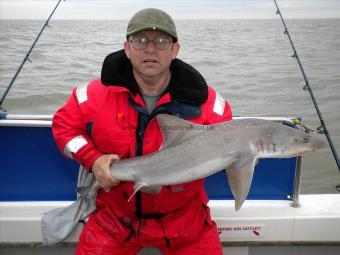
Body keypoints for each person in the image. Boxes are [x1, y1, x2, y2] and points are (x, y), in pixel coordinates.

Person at [52, 8, 232, 255]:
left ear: (175, 50)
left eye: (161, 41)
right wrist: (92, 159)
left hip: (186, 221)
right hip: (115, 219)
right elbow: (64, 128)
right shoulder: (92, 96)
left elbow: (228, 152)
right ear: (126, 48)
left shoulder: (210, 106)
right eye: (140, 40)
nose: (150, 49)